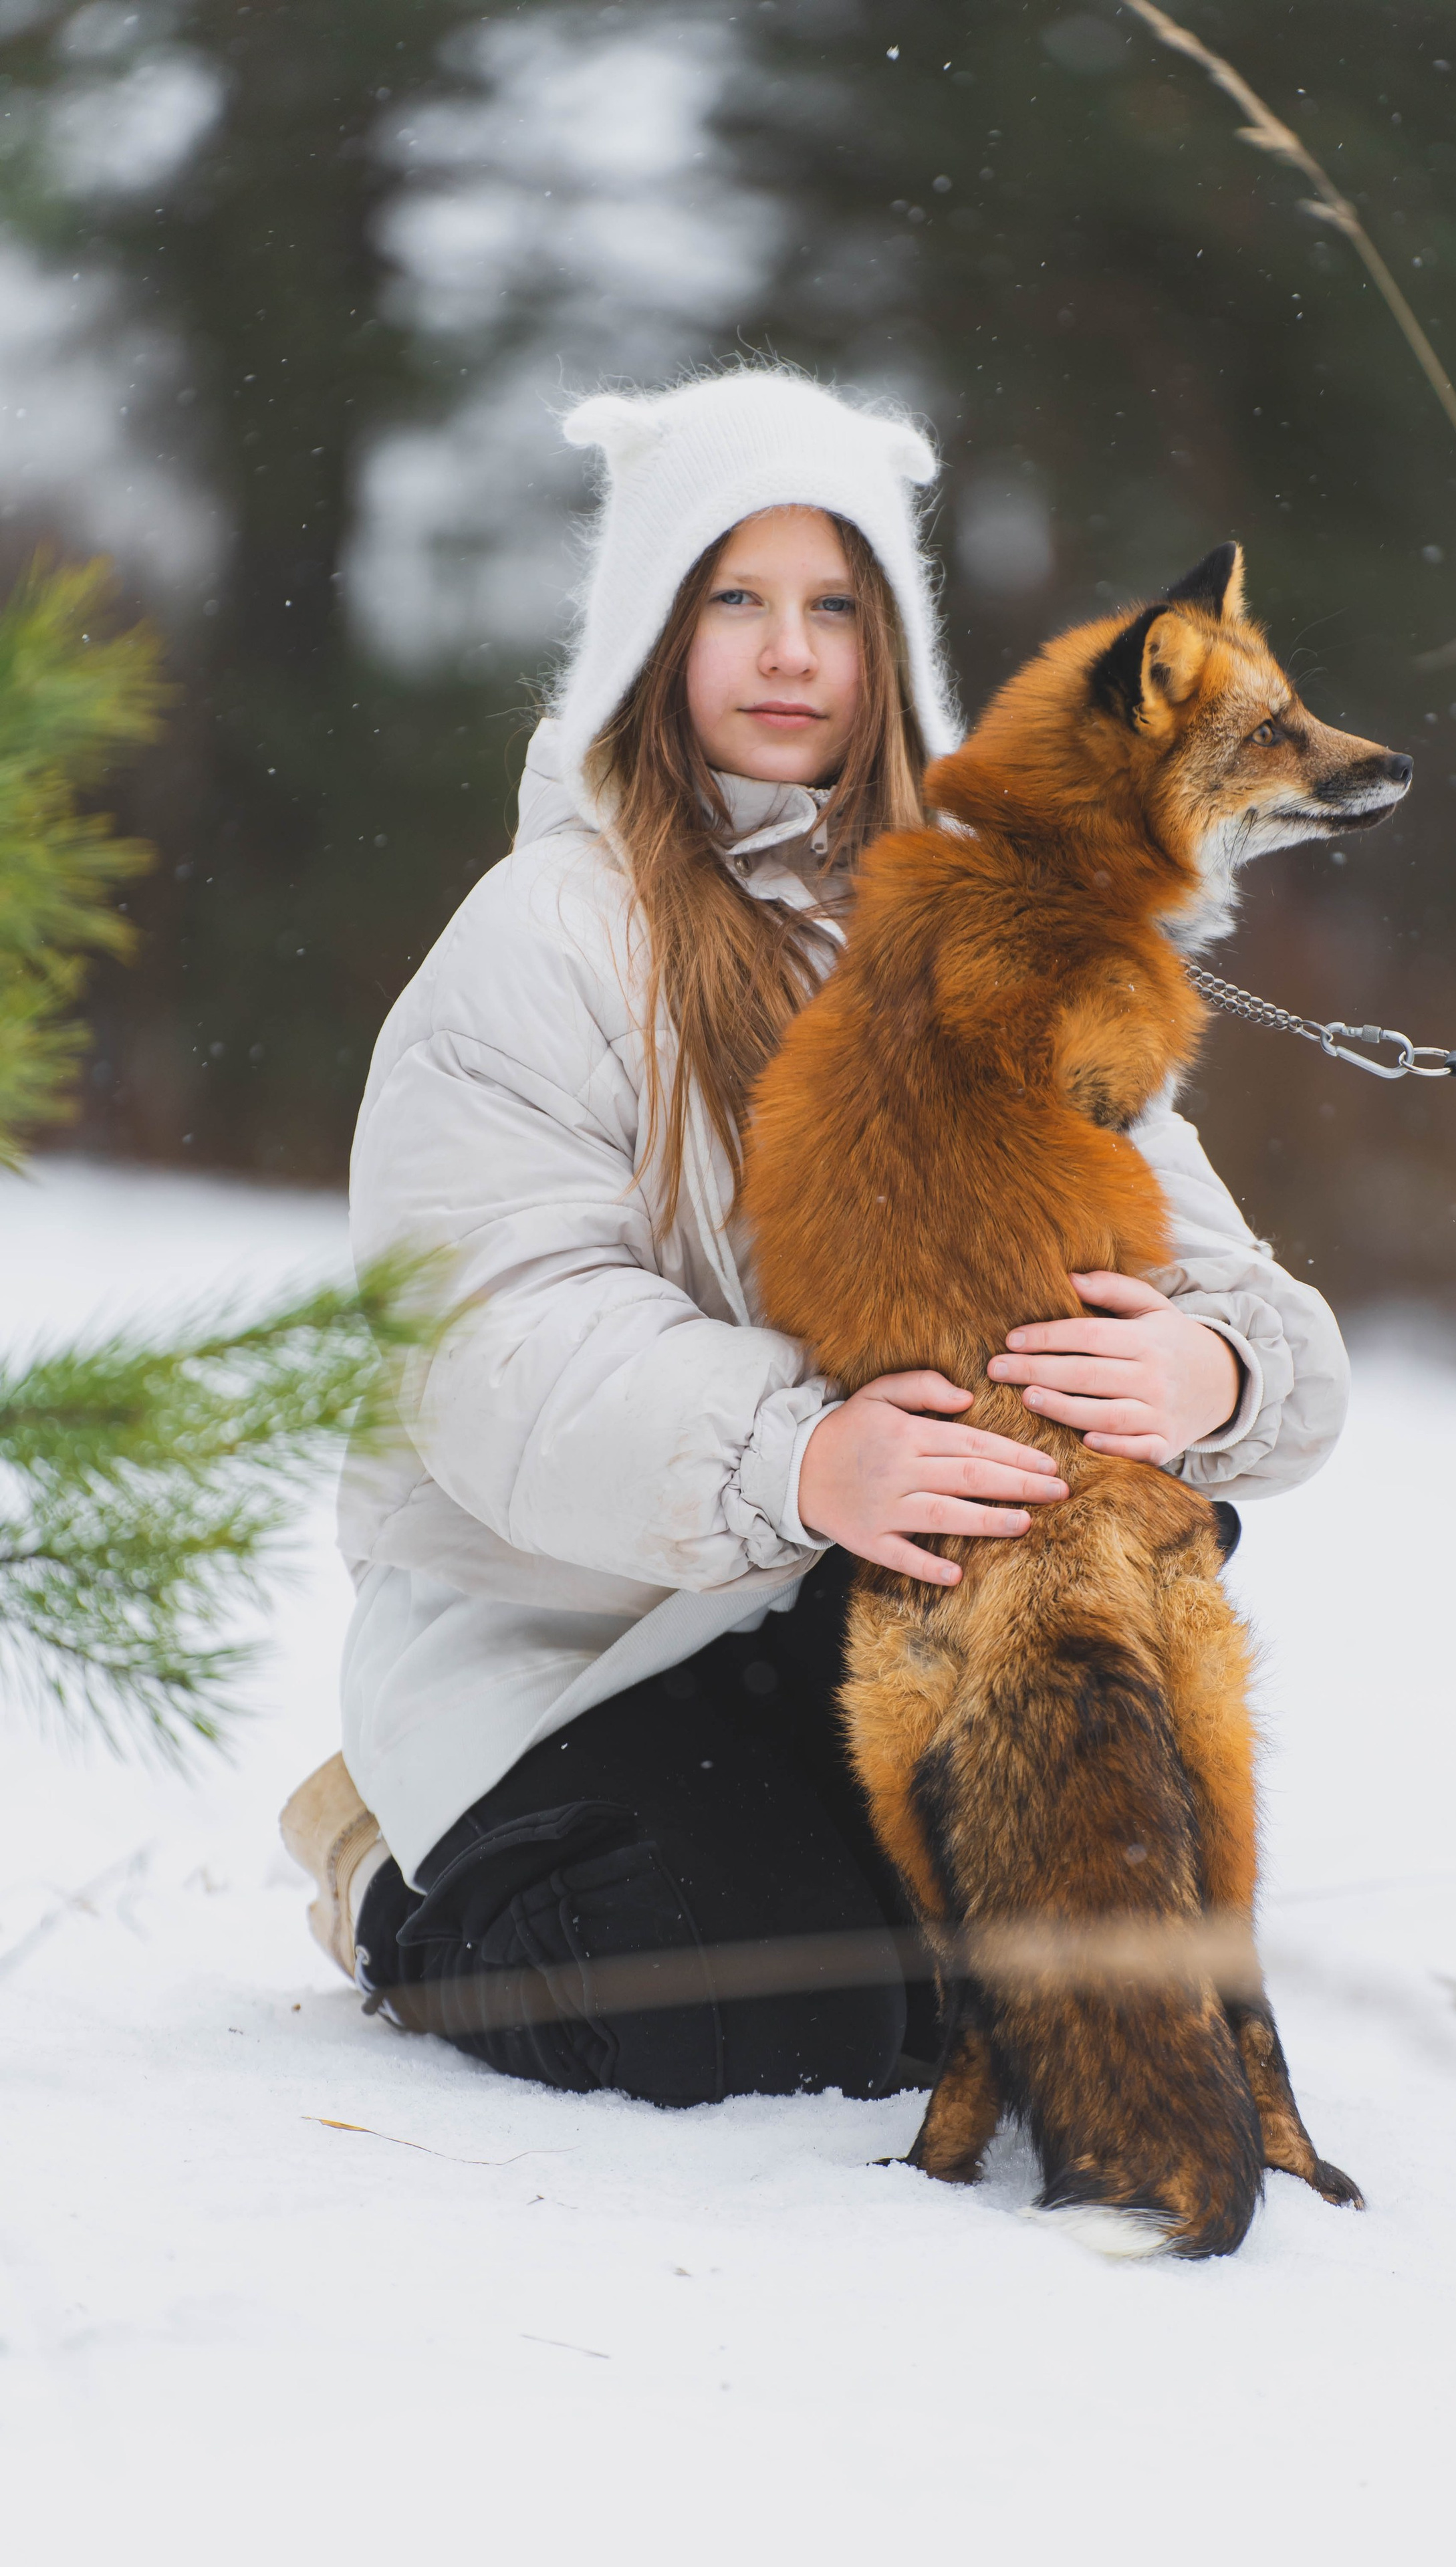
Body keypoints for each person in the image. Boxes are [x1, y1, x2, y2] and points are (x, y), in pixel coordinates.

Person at [280, 366, 1348, 2104]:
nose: (790, 654)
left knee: (957, 2019)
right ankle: (402, 1884)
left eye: (834, 607)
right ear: (653, 632)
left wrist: (1211, 1358)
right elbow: (495, 1335)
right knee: (750, 2019)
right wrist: (800, 1456)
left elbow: (1215, 1260)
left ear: (892, 646)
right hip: (576, 1654)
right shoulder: (545, 937)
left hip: (862, 1607)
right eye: (738, 603)